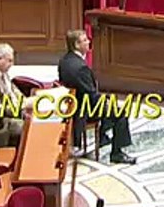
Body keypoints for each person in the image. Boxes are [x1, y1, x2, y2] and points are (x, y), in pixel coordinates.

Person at [58, 29, 136, 164]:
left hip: (74, 105)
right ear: (76, 45)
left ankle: (103, 136)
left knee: (108, 107)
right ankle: (117, 153)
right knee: (120, 113)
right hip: (84, 110)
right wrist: (106, 101)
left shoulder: (64, 61)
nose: (88, 42)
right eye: (84, 40)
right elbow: (92, 96)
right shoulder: (80, 68)